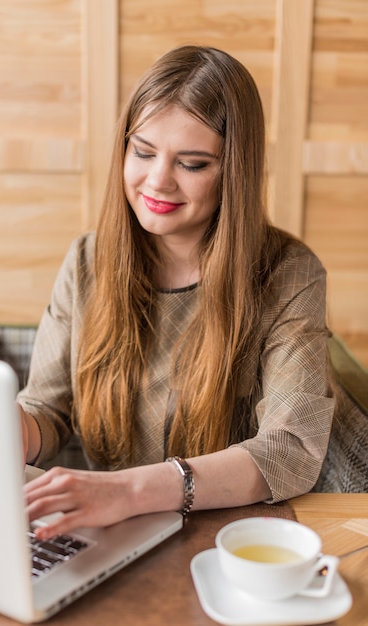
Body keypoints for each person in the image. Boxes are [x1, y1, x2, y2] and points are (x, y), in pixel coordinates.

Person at [20, 44, 334, 540]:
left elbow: (291, 449)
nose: (157, 180)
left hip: (226, 537)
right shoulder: (86, 260)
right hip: (108, 533)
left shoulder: (289, 275)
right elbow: (48, 412)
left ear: (233, 171)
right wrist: (5, 429)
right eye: (143, 152)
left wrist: (131, 491)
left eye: (192, 163)